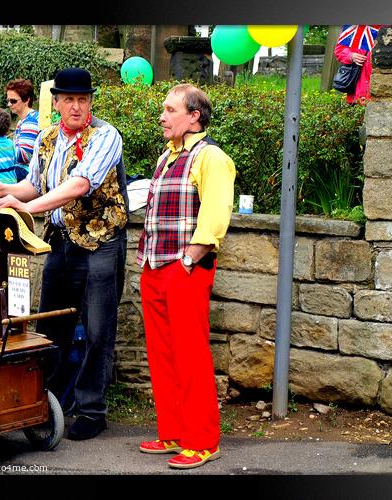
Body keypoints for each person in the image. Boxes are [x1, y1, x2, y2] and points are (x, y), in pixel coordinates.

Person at [0, 67, 128, 441]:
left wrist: (30, 207)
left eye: (82, 99)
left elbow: (80, 184)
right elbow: (30, 184)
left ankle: (92, 411)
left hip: (101, 243)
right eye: (68, 99)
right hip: (63, 242)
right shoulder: (48, 137)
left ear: (90, 103)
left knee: (99, 329)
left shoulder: (106, 136)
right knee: (51, 325)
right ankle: (44, 403)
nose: (76, 106)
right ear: (55, 102)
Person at [137, 84, 235, 469]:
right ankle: (173, 431)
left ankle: (202, 440)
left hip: (183, 270)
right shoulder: (166, 157)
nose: (162, 116)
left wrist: (190, 259)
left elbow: (214, 214)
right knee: (162, 355)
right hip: (154, 267)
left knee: (191, 354)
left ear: (194, 116)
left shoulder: (210, 157)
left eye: (170, 109)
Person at [334, 25, 381, 105]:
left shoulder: (386, 28)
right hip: (357, 89)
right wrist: (350, 56)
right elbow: (339, 50)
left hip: (379, 88)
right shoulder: (354, 28)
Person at [5, 79, 40, 181]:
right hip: (19, 169)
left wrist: (1, 149)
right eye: (8, 100)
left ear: (26, 100)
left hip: (26, 172)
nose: (9, 104)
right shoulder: (23, 121)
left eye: (13, 101)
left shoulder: (31, 121)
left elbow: (25, 155)